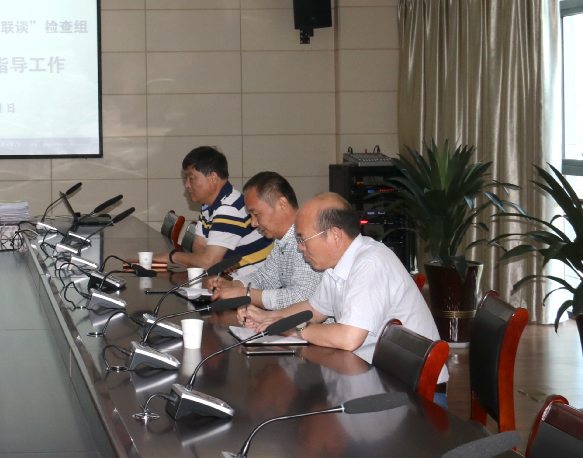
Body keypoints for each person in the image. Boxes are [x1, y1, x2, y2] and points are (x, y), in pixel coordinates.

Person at [238, 193, 448, 400]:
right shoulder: (338, 264)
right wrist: (269, 318)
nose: (300, 247)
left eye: (303, 239)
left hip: (411, 397)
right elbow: (315, 309)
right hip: (374, 379)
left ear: (335, 236)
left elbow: (349, 338)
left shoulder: (370, 263)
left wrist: (296, 330)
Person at [151, 146, 272, 281]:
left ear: (213, 178)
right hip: (231, 281)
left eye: (191, 178)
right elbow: (199, 247)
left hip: (253, 286)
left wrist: (171, 256)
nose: (187, 185)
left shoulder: (229, 209)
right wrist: (214, 260)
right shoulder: (210, 205)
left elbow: (207, 262)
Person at [208, 171, 321, 308]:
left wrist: (245, 293)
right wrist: (233, 285)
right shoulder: (283, 240)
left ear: (282, 204)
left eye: (256, 214)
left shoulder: (309, 239)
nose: (253, 223)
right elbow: (265, 277)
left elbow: (301, 298)